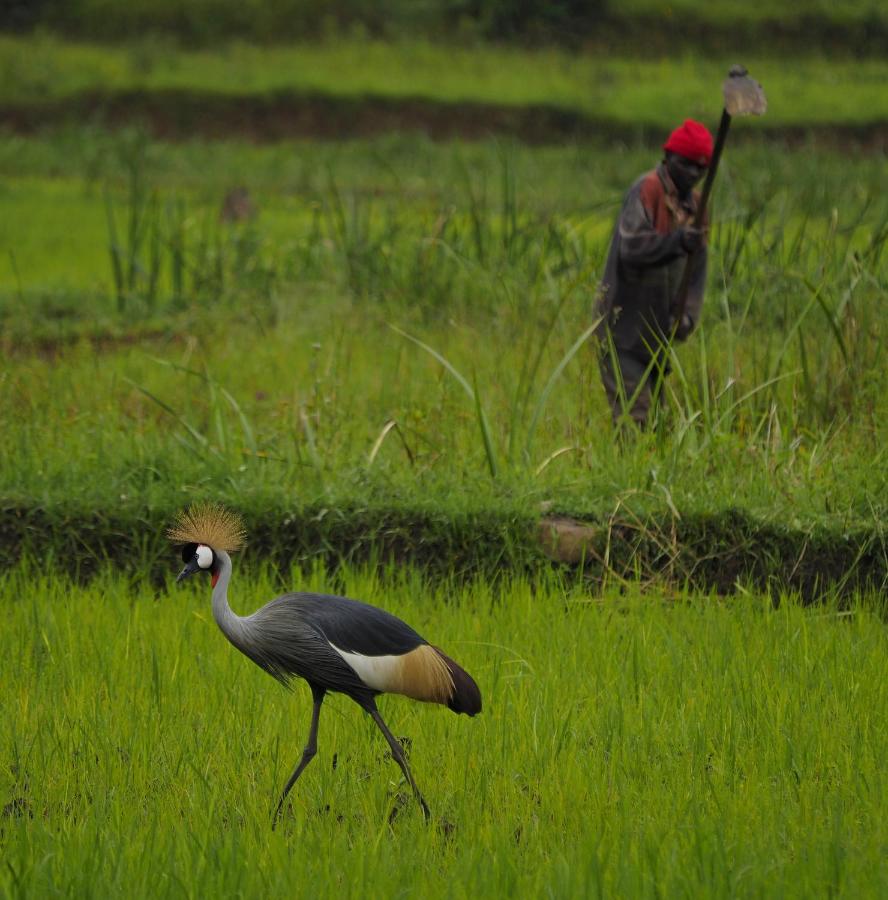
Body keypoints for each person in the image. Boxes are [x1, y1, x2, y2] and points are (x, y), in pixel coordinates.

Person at [595, 119, 712, 428]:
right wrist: (675, 242)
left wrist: (686, 316)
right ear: (668, 157)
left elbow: (697, 269)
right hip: (622, 326)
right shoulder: (647, 189)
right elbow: (631, 248)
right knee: (635, 419)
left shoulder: (697, 207)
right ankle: (622, 476)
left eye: (700, 169)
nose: (693, 174)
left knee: (659, 424)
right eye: (686, 165)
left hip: (657, 331)